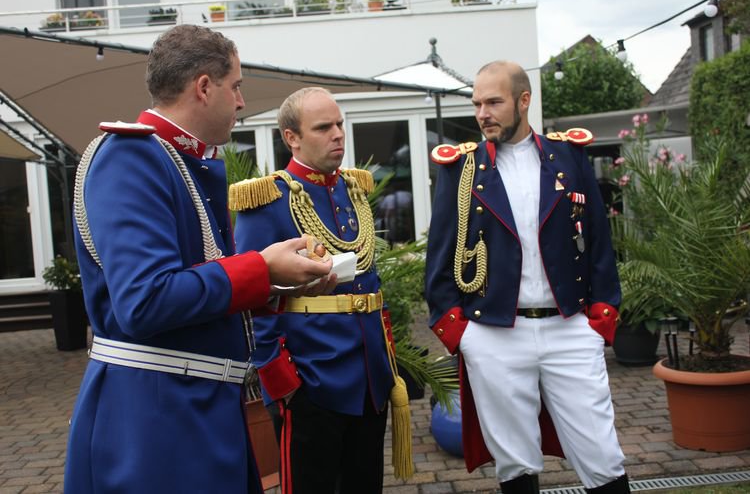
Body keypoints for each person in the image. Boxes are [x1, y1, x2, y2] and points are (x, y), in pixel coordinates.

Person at [64, 25, 334, 493]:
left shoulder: (174, 158)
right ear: (204, 87)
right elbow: (145, 301)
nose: (241, 102)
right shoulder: (131, 157)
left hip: (193, 410)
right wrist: (261, 268)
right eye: (236, 87)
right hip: (156, 423)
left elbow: (197, 285)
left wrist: (276, 283)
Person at [425, 60, 629, 494]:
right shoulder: (461, 169)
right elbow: (440, 256)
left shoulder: (569, 157)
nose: (483, 114)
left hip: (569, 327)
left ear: (523, 101)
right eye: (477, 104)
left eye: (493, 102)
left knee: (602, 455)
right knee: (515, 464)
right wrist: (461, 334)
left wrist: (599, 320)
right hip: (495, 333)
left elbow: (598, 240)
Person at [231, 87, 400, 494]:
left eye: (339, 124)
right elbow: (254, 301)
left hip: (369, 376)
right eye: (324, 127)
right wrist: (284, 383)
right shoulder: (268, 200)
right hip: (311, 380)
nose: (338, 134)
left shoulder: (354, 190)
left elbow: (368, 282)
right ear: (292, 137)